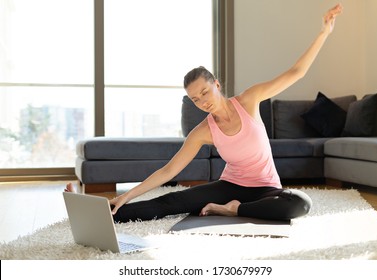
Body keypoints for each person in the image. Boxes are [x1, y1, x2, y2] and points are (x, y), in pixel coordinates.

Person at [66, 4, 343, 223]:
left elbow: (296, 72)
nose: (202, 102)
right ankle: (98, 212)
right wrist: (124, 197)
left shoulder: (248, 101)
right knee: (172, 201)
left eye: (205, 93)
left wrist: (324, 33)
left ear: (217, 85)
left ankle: (233, 210)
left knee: (300, 203)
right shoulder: (203, 131)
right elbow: (169, 170)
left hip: (266, 188)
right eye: (195, 99)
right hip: (229, 185)